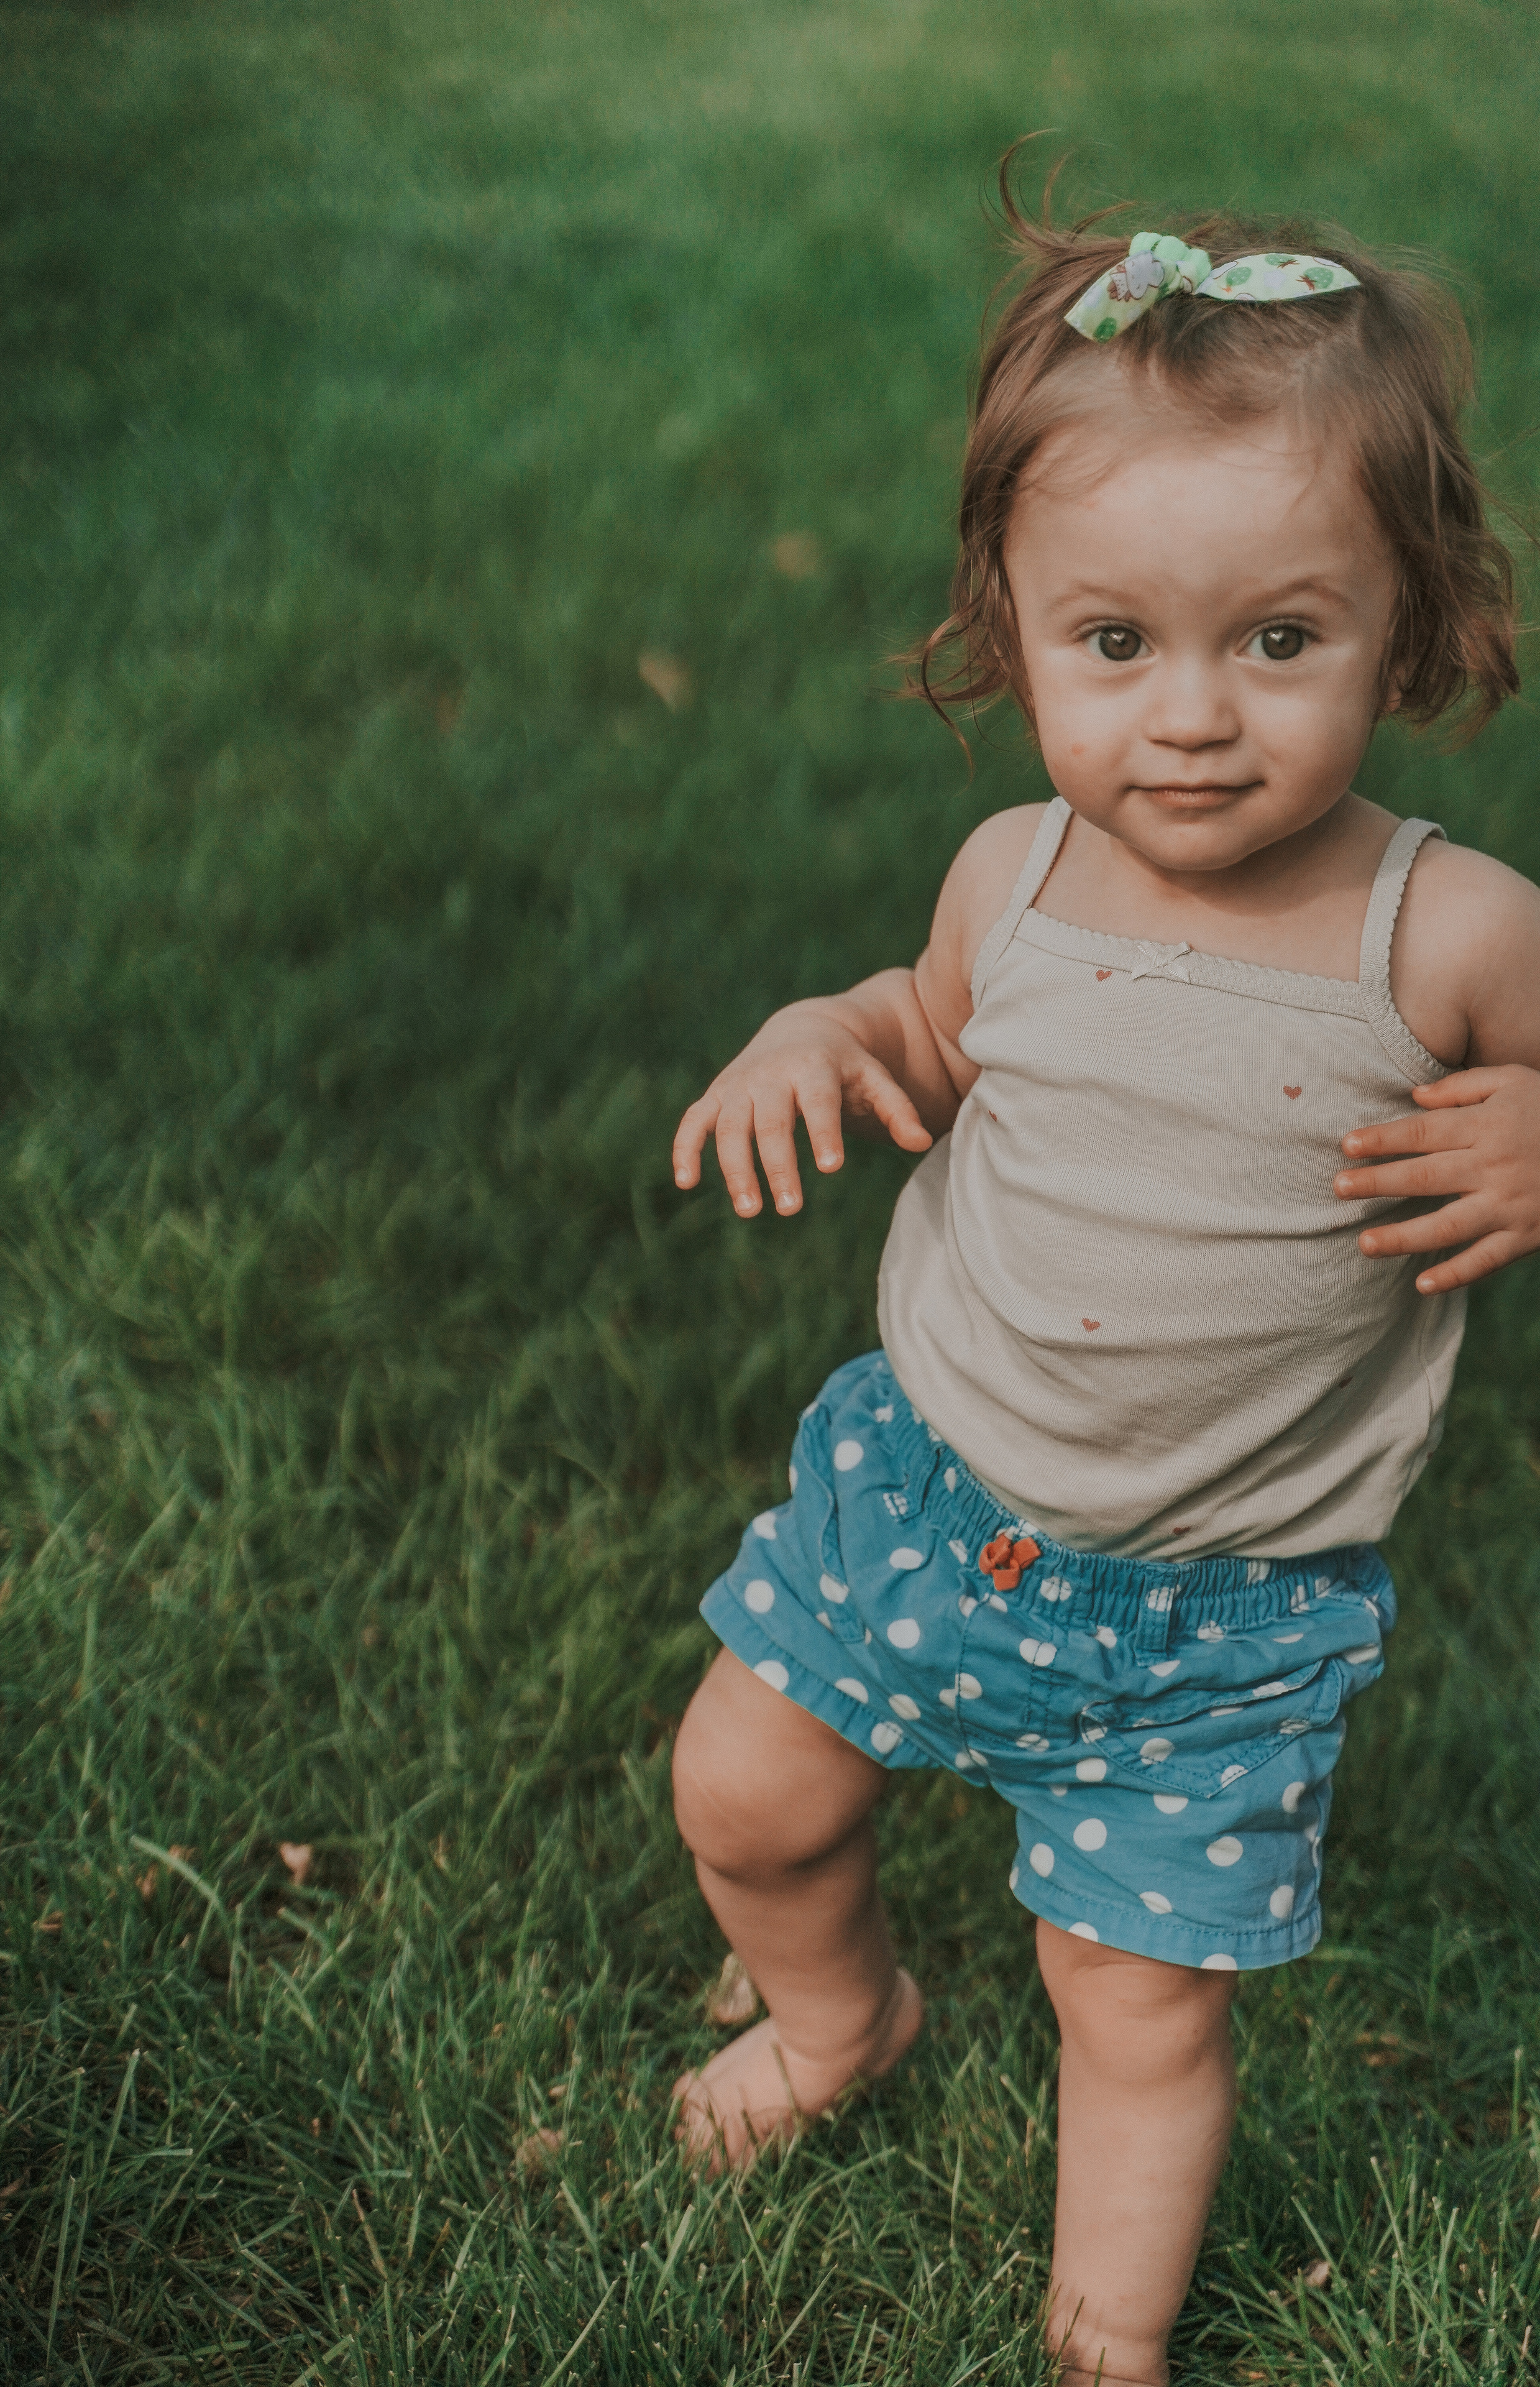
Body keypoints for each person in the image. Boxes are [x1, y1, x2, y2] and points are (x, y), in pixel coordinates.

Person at [667, 167, 1540, 2386]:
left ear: (1407, 621)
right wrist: (822, 1034)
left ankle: (1102, 2343)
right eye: (1114, 644)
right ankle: (839, 2018)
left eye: (1279, 640)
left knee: (1134, 2001)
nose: (1191, 719)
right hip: (927, 1487)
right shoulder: (1014, 873)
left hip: (1218, 1610)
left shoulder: (1446, 935)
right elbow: (925, 1035)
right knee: (751, 1797)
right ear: (1015, 621)